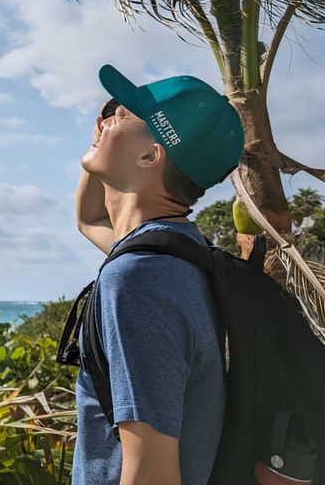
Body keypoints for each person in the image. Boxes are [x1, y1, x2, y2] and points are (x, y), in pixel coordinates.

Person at [72, 64, 245, 485]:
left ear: (150, 156)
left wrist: (104, 139)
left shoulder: (139, 280)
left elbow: (152, 471)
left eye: (121, 115)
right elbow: (90, 216)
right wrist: (107, 133)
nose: (104, 119)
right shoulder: (180, 252)